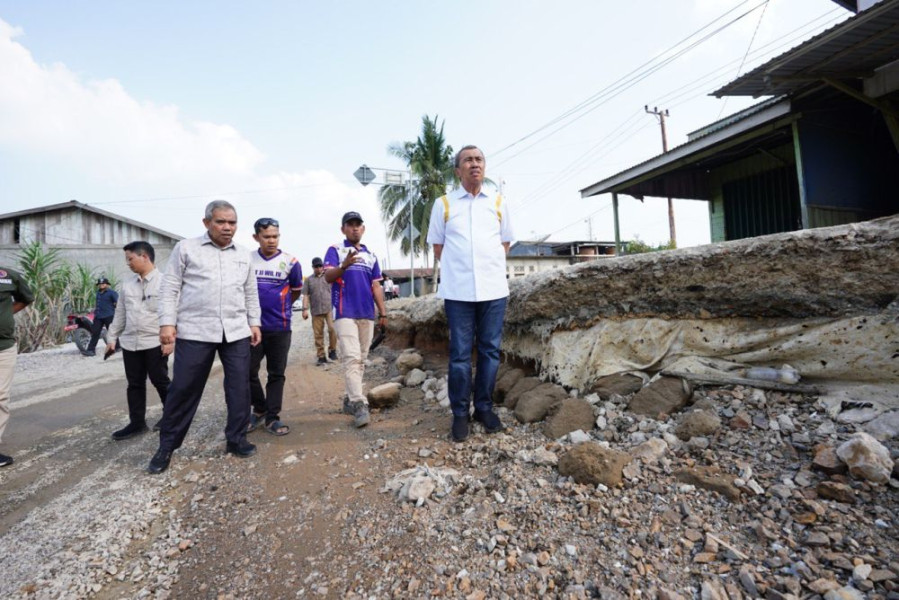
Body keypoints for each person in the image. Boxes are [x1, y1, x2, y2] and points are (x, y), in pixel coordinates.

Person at [148, 200, 262, 474]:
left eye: (232, 222)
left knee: (239, 387)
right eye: (220, 222)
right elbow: (170, 287)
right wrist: (166, 323)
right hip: (195, 330)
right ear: (207, 223)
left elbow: (250, 292)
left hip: (235, 330)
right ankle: (167, 446)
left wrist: (254, 323)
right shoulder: (186, 248)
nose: (227, 227)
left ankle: (236, 439)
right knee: (184, 388)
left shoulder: (244, 254)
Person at [427, 145, 514, 442]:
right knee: (460, 355)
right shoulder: (444, 204)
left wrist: (485, 267)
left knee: (490, 351)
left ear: (484, 167)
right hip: (459, 292)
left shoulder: (499, 202)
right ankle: (460, 414)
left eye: (479, 159)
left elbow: (505, 243)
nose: (474, 164)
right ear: (458, 170)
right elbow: (438, 248)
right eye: (468, 160)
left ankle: (485, 409)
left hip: (493, 290)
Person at [323, 212, 387, 428]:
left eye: (358, 225)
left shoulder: (371, 255)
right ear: (343, 229)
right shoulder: (335, 250)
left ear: (363, 228)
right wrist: (344, 266)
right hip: (344, 313)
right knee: (351, 358)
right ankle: (359, 405)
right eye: (350, 225)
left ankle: (349, 398)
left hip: (367, 314)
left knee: (360, 359)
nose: (355, 228)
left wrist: (383, 313)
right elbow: (328, 277)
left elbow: (376, 286)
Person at [105, 241, 172, 441]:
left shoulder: (165, 282)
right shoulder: (127, 284)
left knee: (160, 380)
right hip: (130, 343)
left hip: (155, 341)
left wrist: (171, 340)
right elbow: (120, 313)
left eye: (130, 259)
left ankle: (171, 416)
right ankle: (137, 423)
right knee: (134, 384)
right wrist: (112, 337)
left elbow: (174, 313)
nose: (128, 263)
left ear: (144, 256)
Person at [248, 218, 302, 436]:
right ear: (256, 237)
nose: (272, 241)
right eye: (266, 236)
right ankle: (259, 407)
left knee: (276, 374)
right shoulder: (247, 260)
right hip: (252, 327)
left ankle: (272, 417)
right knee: (247, 372)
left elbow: (296, 290)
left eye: (275, 236)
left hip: (280, 326)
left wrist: (282, 307)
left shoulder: (291, 261)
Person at [0, 266, 34, 467]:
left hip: (3, 347)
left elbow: (26, 298)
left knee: (0, 396)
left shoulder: (7, 276)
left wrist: (5, 313)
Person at [302, 256, 338, 365]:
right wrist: (304, 309)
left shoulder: (328, 277)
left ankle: (332, 350)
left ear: (323, 266)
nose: (318, 268)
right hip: (316, 311)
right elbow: (306, 295)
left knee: (333, 329)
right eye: (316, 266)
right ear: (313, 267)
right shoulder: (308, 280)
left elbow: (336, 291)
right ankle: (321, 356)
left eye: (320, 266)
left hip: (329, 309)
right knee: (318, 334)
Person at [82, 276, 118, 356]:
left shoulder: (112, 293)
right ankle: (91, 350)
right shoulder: (98, 292)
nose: (101, 285)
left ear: (107, 284)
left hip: (109, 315)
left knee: (112, 332)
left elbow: (118, 302)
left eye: (103, 283)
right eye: (100, 284)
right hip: (98, 316)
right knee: (95, 333)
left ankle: (118, 347)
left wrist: (116, 311)